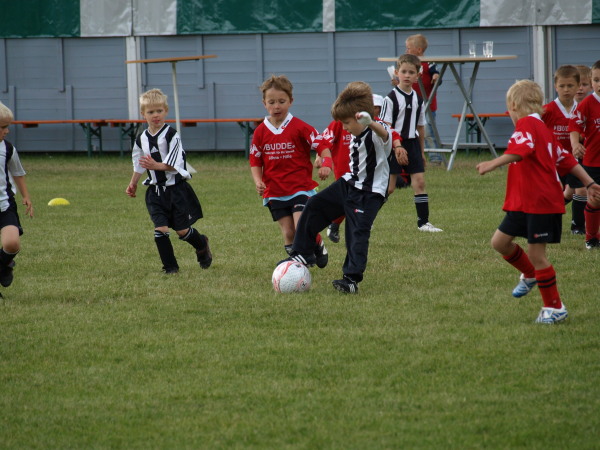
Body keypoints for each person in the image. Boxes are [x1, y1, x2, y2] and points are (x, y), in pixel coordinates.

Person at [476, 80, 600, 324]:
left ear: (513, 105)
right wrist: (589, 183)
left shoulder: (527, 125)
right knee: (500, 242)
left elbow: (521, 151)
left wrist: (493, 163)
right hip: (524, 202)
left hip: (540, 202)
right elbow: (565, 159)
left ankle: (554, 308)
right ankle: (531, 275)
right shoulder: (542, 128)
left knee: (537, 255)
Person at [283, 81, 391, 294]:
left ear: (361, 118)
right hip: (349, 183)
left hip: (369, 193)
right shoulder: (352, 131)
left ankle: (351, 280)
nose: (344, 127)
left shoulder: (377, 131)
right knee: (314, 204)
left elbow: (385, 135)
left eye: (347, 122)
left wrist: (370, 123)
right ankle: (303, 252)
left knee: (356, 234)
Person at [249, 75, 332, 266]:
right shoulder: (260, 132)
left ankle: (310, 250)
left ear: (290, 101)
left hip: (300, 188)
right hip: (275, 191)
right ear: (264, 104)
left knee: (301, 225)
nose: (276, 106)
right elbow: (255, 160)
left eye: (281, 101)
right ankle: (300, 263)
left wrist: (327, 163)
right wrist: (258, 181)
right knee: (288, 233)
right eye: (271, 102)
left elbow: (322, 145)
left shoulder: (300, 127)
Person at [126, 88, 211, 274]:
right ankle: (170, 268)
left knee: (182, 231)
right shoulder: (141, 139)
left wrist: (156, 165)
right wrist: (133, 183)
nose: (155, 115)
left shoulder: (172, 135)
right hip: (155, 193)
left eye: (159, 111)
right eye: (151, 112)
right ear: (143, 114)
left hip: (176, 191)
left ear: (166, 111)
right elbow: (138, 163)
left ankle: (201, 244)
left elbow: (176, 165)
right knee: (161, 229)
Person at [381, 53, 443, 232]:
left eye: (411, 72)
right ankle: (364, 216)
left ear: (418, 75)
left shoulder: (418, 99)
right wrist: (396, 147)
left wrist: (421, 152)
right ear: (396, 73)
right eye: (404, 72)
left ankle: (423, 223)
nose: (407, 75)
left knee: (420, 182)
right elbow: (385, 127)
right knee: (389, 188)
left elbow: (420, 127)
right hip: (394, 146)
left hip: (412, 144)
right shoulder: (390, 99)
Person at [542, 65, 582, 234]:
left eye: (570, 85)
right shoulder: (547, 110)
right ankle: (546, 219)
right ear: (555, 87)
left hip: (574, 160)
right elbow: (533, 125)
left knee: (579, 190)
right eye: (562, 86)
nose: (566, 90)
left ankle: (578, 226)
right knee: (556, 193)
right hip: (553, 161)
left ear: (578, 86)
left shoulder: (582, 109)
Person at [0, 102, 33, 289]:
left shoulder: (7, 149)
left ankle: (3, 266)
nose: (7, 131)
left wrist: (25, 196)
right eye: (3, 127)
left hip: (4, 205)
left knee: (12, 244)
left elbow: (18, 173)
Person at [570, 60, 600, 249]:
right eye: (596, 80)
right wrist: (575, 144)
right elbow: (574, 126)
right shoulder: (587, 104)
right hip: (593, 162)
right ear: (591, 81)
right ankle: (591, 238)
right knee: (595, 199)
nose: (599, 84)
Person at [404, 33, 442, 164]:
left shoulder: (428, 63)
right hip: (412, 103)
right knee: (412, 130)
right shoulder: (409, 65)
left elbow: (436, 73)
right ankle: (414, 156)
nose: (406, 51)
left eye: (408, 48)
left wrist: (436, 76)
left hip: (428, 104)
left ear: (419, 50)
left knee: (428, 132)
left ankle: (435, 158)